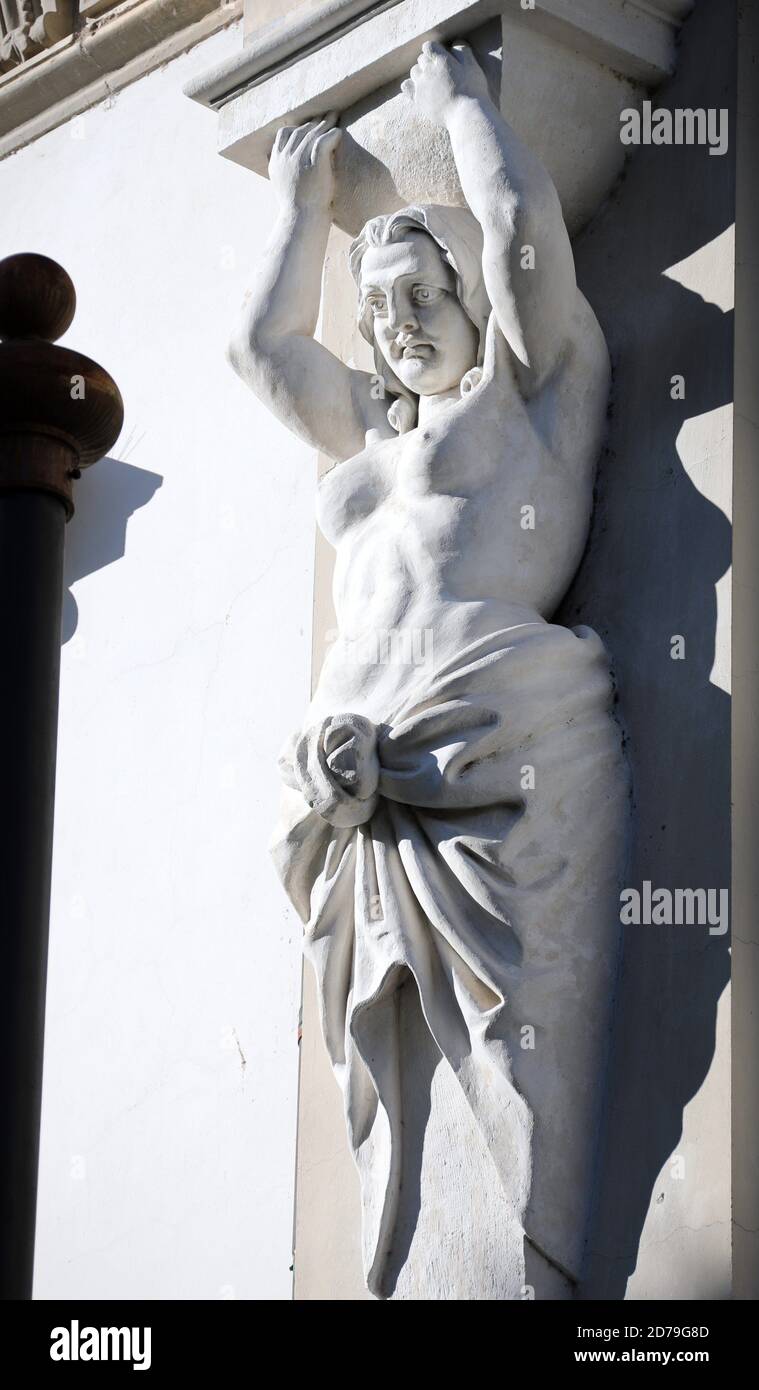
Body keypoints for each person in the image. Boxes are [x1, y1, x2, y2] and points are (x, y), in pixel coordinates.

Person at [230, 41, 627, 1299]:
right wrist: (301, 216)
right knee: (392, 1099)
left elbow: (519, 232)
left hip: (485, 758)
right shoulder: (375, 435)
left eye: (417, 296)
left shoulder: (530, 393)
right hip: (355, 797)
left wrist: (463, 109)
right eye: (380, 307)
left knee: (503, 1071)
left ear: (474, 302)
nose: (395, 326)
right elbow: (262, 353)